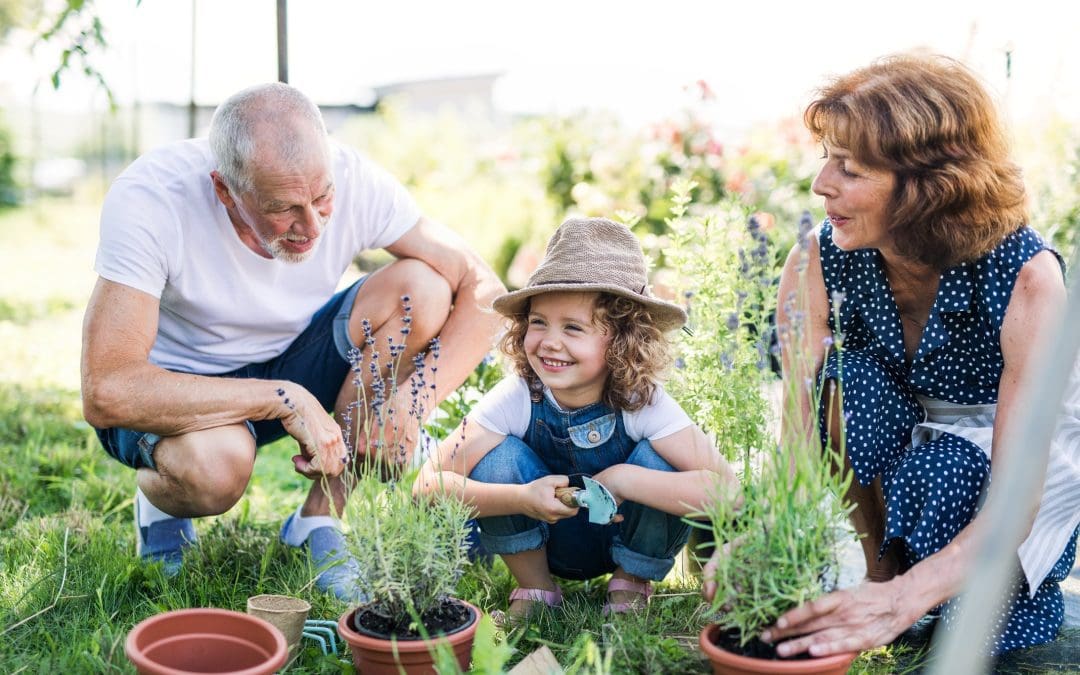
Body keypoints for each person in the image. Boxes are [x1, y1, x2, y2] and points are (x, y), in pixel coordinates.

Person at [704, 53, 1080, 656]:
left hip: (1009, 463)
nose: (821, 184)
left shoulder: (1027, 278)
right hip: (909, 434)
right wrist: (762, 534)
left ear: (929, 186)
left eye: (850, 169)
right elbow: (798, 441)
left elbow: (1017, 500)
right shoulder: (817, 258)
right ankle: (880, 574)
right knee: (842, 382)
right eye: (827, 158)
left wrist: (907, 600)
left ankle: (927, 596)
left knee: (967, 621)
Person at [80, 82, 505, 600]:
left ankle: (319, 518)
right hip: (179, 392)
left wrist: (410, 405)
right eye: (283, 208)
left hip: (292, 357)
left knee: (424, 288)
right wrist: (281, 398)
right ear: (225, 190)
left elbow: (485, 291)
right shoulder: (153, 198)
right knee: (216, 471)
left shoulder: (354, 178)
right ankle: (160, 501)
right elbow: (107, 390)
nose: (312, 225)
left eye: (322, 198)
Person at [414, 217, 738, 618]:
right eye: (538, 322)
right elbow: (426, 485)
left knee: (662, 461)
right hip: (547, 542)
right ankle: (536, 590)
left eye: (573, 328)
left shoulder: (643, 401)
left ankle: (629, 584)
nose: (551, 342)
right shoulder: (519, 395)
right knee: (496, 458)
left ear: (622, 340)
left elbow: (728, 492)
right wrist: (520, 499)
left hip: (624, 536)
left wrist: (625, 479)